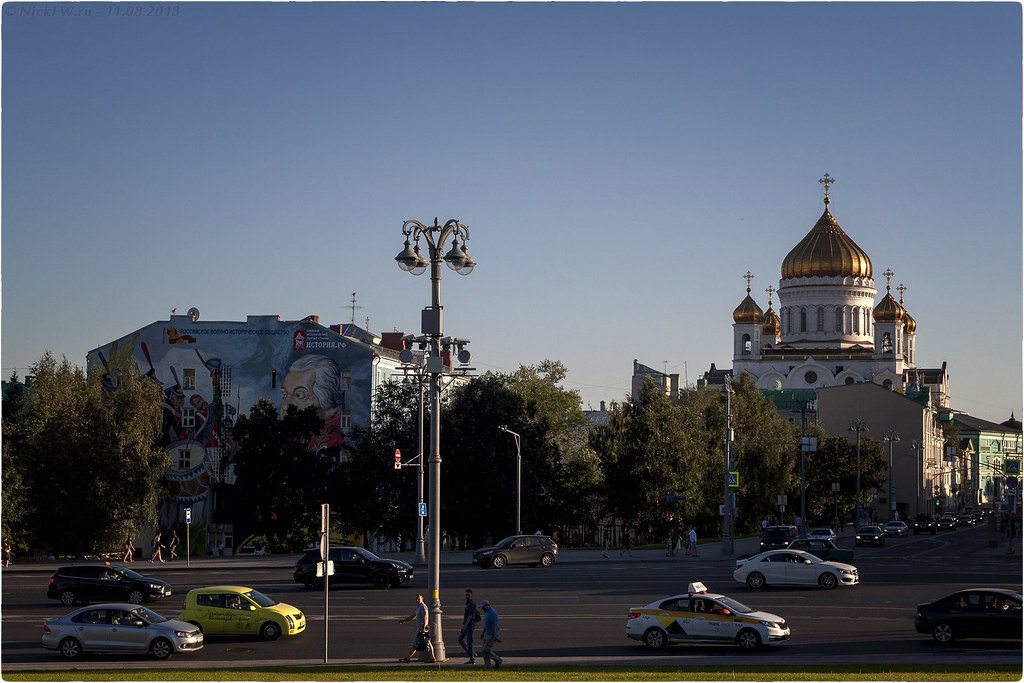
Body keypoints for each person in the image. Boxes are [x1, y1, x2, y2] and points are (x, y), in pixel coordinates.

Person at [398, 593, 436, 663]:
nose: (417, 600)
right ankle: (433, 658)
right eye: (416, 599)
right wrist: (404, 620)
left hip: (422, 628)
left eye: (418, 598)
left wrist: (423, 628)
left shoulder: (423, 607)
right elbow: (413, 616)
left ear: (422, 598)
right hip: (421, 628)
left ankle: (407, 658)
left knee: (415, 644)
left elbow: (425, 617)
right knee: (428, 643)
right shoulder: (418, 607)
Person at [480, 599, 502, 669]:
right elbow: (486, 625)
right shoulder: (487, 612)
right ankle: (487, 666)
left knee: (486, 650)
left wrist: (495, 636)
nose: (482, 608)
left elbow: (494, 625)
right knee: (484, 651)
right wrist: (482, 633)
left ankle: (498, 660)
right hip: (487, 633)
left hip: (492, 634)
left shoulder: (493, 613)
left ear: (487, 605)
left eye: (483, 607)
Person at [458, 588, 478, 665]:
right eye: (466, 595)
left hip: (470, 625)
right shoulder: (468, 603)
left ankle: (472, 659)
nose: (467, 596)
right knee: (460, 639)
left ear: (471, 595)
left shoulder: (472, 604)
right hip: (467, 624)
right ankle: (471, 653)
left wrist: (464, 626)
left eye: (468, 595)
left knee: (470, 642)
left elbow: (470, 616)